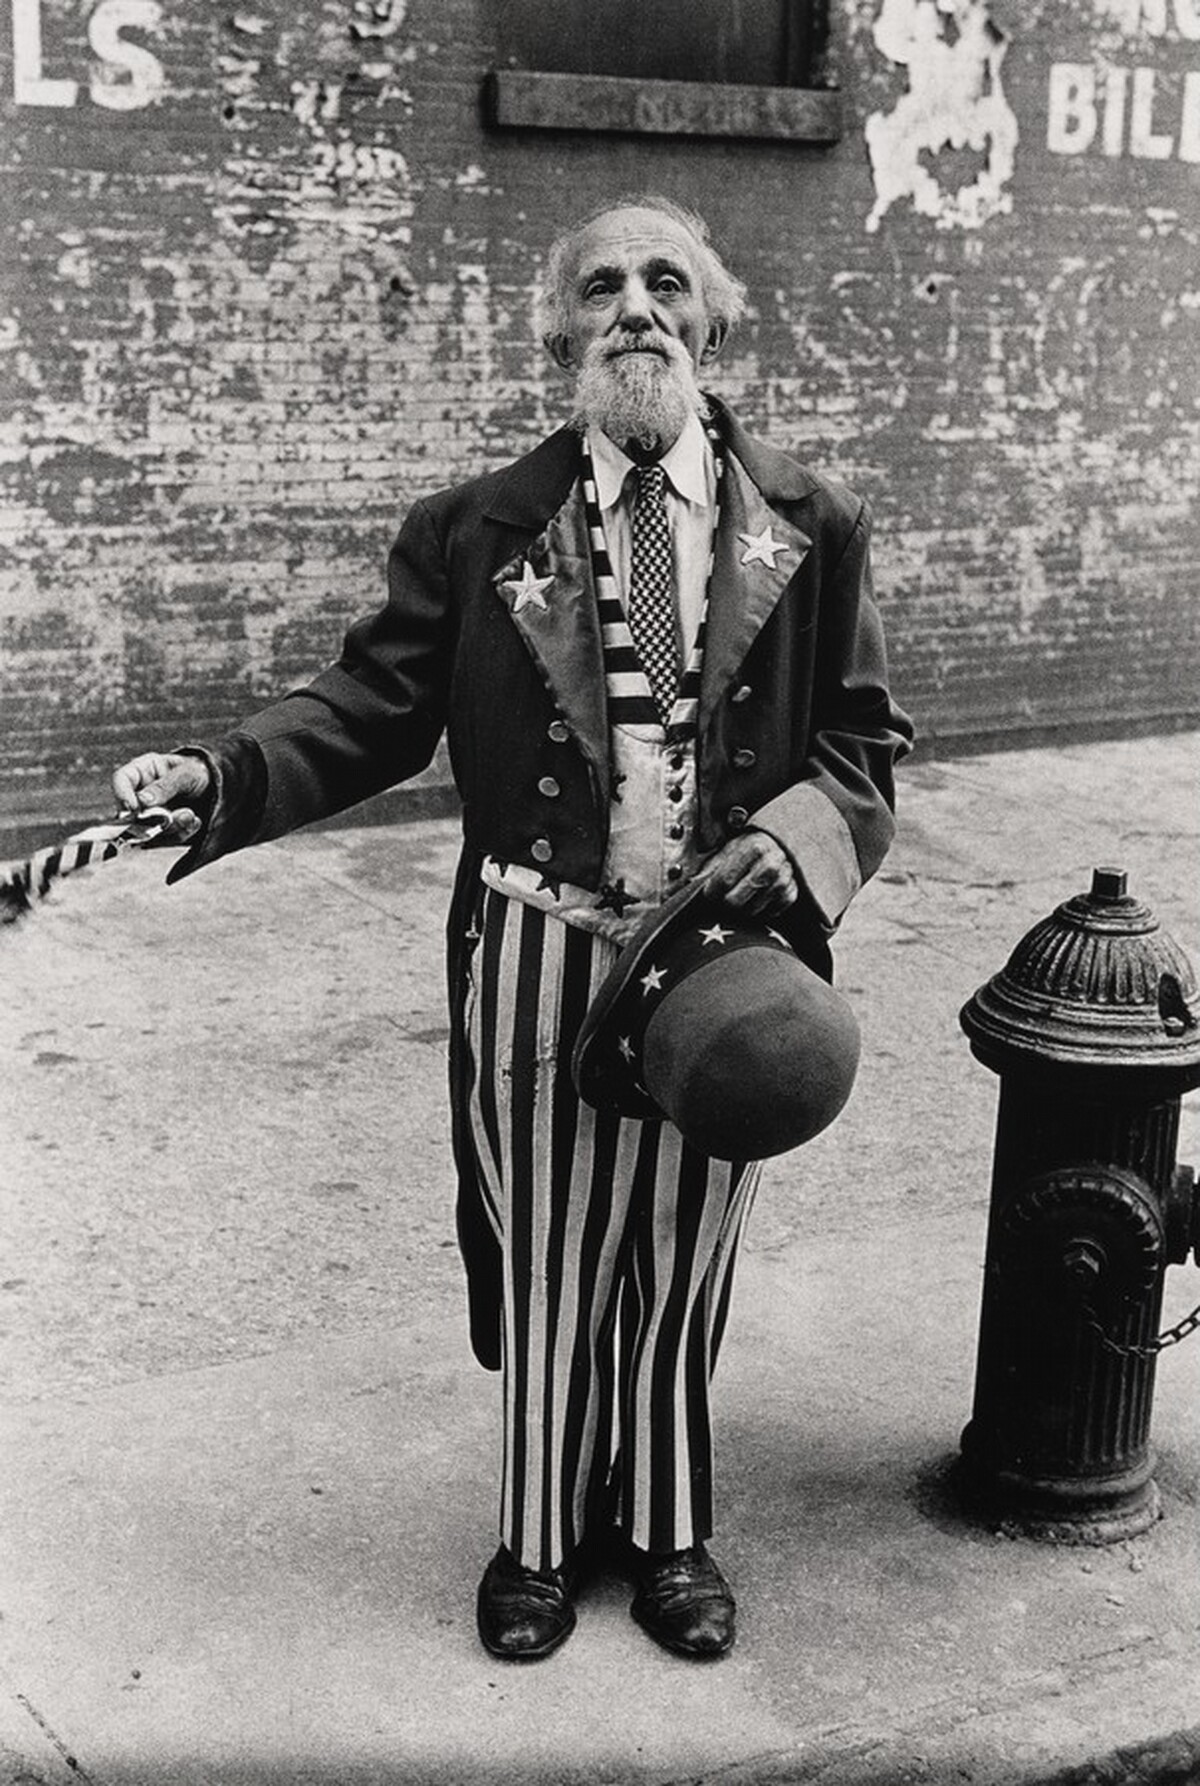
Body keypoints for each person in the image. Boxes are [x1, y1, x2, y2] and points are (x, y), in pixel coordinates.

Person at [112, 195, 914, 1664]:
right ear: (559, 331)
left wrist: (787, 848)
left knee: (681, 1256)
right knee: (549, 1251)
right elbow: (367, 708)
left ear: (714, 320)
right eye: (600, 285)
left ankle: (669, 1528)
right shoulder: (477, 529)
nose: (636, 307)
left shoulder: (808, 524)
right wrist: (221, 776)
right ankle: (539, 1533)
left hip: (723, 966)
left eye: (668, 281)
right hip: (538, 946)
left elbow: (863, 749)